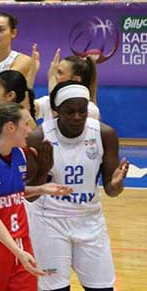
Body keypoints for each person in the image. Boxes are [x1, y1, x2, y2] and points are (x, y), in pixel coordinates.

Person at [27, 81, 130, 291]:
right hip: (50, 221)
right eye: (70, 112)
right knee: (55, 288)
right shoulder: (39, 137)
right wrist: (42, 171)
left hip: (90, 220)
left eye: (82, 111)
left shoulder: (104, 134)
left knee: (102, 288)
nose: (77, 117)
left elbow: (111, 190)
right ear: (57, 111)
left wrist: (117, 184)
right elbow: (29, 195)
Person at [0, 102, 72, 291]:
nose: (30, 130)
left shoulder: (20, 154)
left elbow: (11, 192)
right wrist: (17, 251)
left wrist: (41, 189)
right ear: (10, 127)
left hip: (21, 243)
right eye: (27, 124)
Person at [27, 46, 100, 123]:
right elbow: (24, 111)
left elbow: (58, 118)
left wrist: (52, 78)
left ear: (76, 80)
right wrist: (32, 73)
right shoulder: (47, 102)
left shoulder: (89, 109)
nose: (55, 75)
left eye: (59, 72)